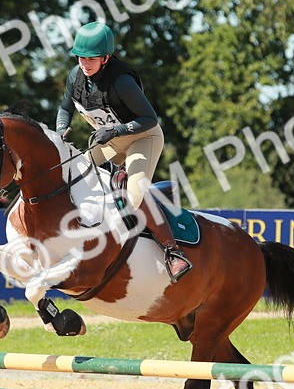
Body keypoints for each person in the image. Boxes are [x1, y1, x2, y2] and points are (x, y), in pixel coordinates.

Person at [55, 21, 192, 281]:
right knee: (73, 179)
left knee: (135, 193)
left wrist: (115, 132)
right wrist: (62, 128)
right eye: (81, 57)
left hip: (143, 137)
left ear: (106, 58)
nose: (85, 63)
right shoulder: (75, 77)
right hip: (109, 141)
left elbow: (150, 119)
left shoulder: (122, 82)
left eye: (91, 58)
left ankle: (173, 253)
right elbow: (65, 108)